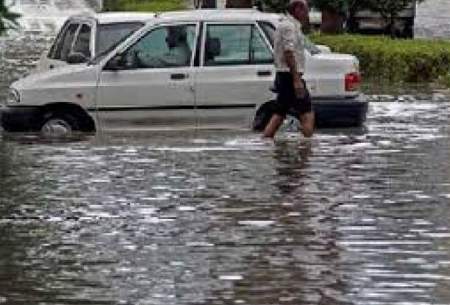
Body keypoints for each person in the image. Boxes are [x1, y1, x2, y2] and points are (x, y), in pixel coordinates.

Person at [263, 0, 315, 138]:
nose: (307, 14)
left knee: (279, 114)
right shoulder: (288, 26)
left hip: (286, 76)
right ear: (298, 9)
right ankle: (307, 148)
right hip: (289, 76)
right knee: (307, 112)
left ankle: (265, 142)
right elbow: (288, 53)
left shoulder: (290, 25)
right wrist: (296, 80)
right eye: (306, 10)